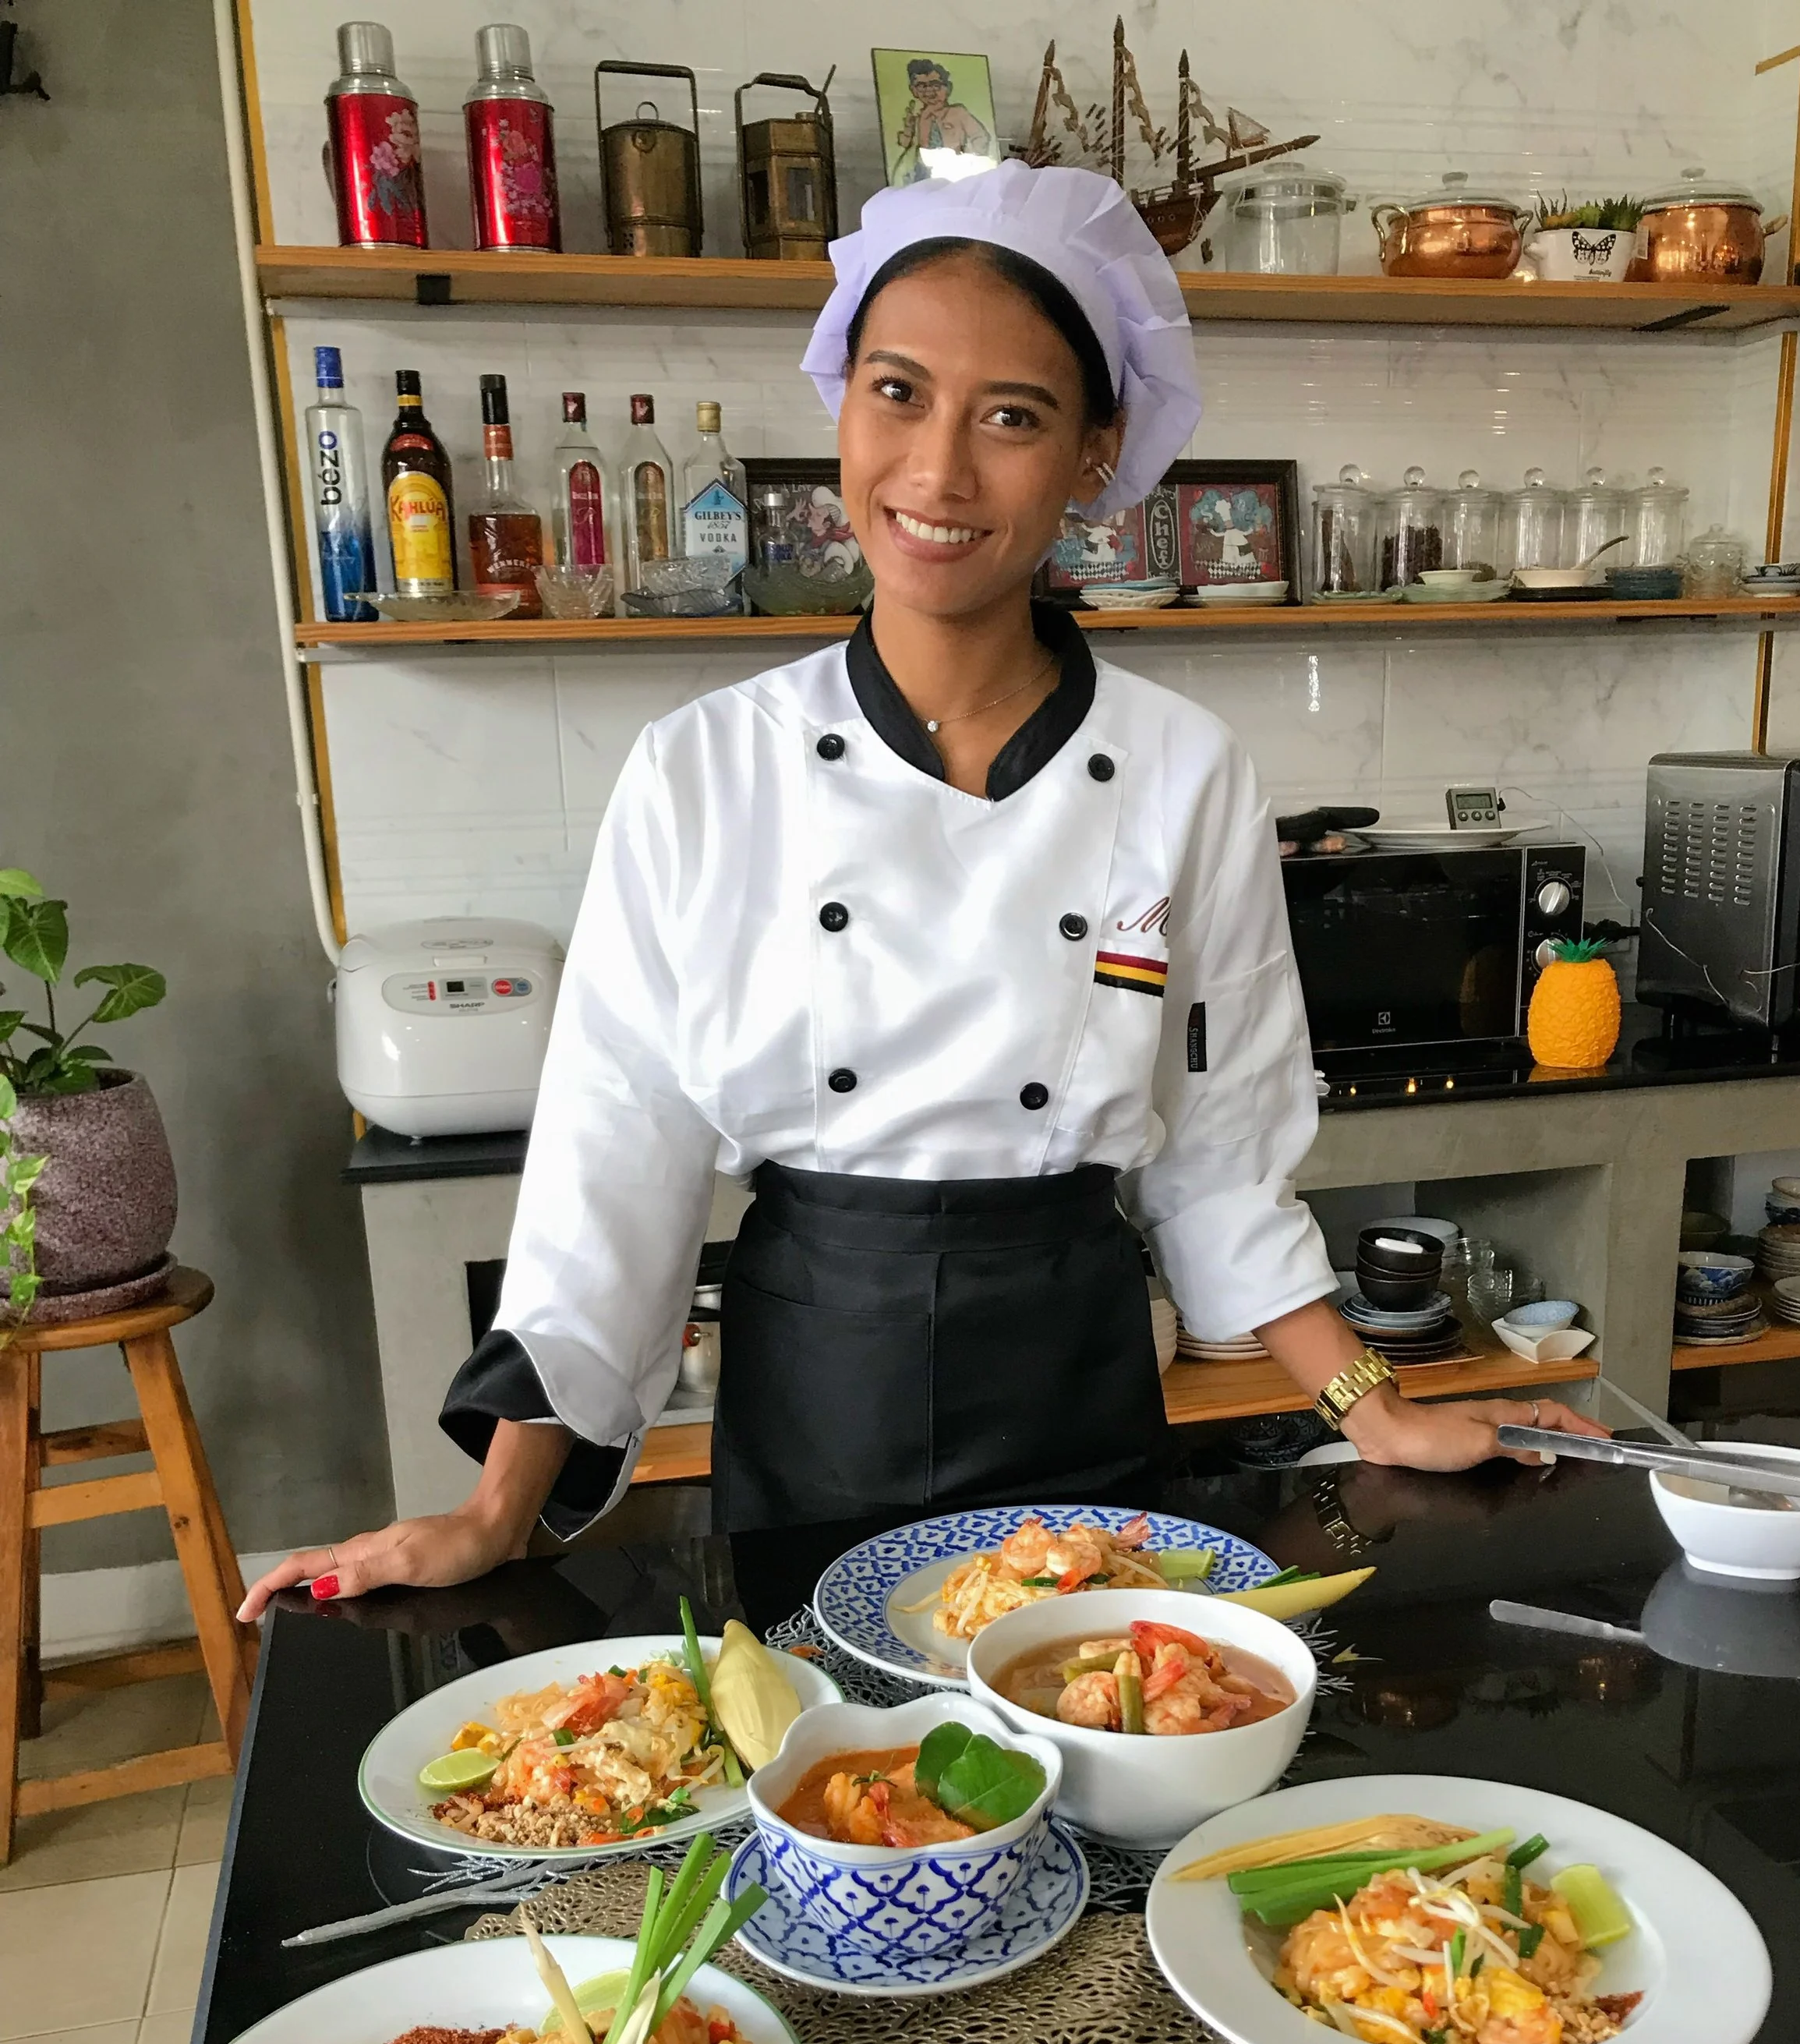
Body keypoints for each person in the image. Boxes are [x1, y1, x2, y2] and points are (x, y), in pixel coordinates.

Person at [242, 161, 1602, 1620]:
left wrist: (1374, 1407)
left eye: (1011, 416)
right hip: (819, 1375)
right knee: (840, 1787)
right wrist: (497, 1509)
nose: (940, 471)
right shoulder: (705, 770)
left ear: (1096, 455)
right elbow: (614, 1158)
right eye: (898, 392)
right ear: (840, 403)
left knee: (1103, 1742)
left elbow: (1215, 1156)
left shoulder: (1182, 769)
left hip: (1076, 1360)